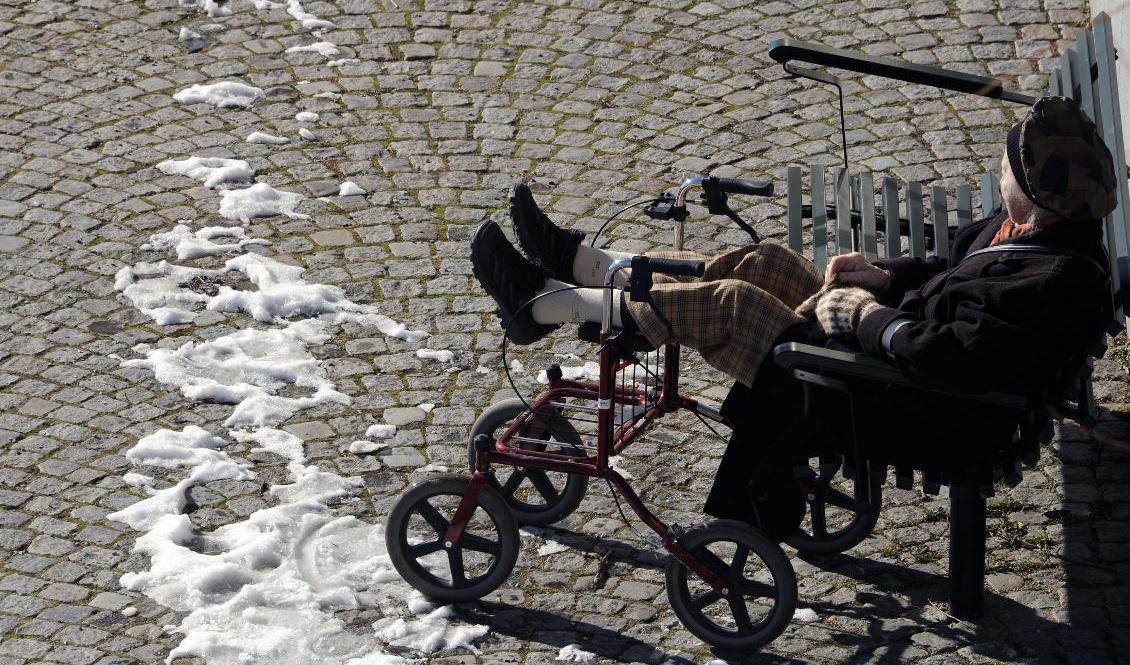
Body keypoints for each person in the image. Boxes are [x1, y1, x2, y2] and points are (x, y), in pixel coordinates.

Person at [470, 96, 1117, 538]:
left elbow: (945, 356)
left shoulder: (1045, 280)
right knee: (770, 263)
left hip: (912, 403)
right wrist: (882, 278)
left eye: (1008, 165)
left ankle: (551, 303)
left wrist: (865, 316)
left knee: (740, 305)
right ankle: (591, 266)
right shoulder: (1033, 234)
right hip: (897, 360)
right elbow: (948, 267)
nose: (998, 165)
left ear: (1039, 197)